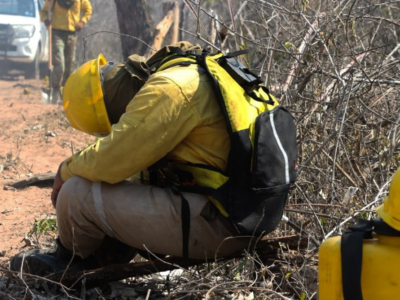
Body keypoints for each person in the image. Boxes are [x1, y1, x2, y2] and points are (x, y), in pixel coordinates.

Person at [10, 42, 251, 276]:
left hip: (221, 227)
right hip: (241, 216)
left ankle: (69, 265)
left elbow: (111, 159)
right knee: (134, 177)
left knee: (76, 194)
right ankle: (105, 254)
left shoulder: (170, 89)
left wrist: (66, 170)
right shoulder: (191, 70)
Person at [40, 0, 92, 104]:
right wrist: (46, 20)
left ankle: (65, 94)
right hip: (56, 34)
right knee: (60, 65)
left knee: (69, 68)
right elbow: (44, 12)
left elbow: (88, 9)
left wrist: (82, 21)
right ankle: (54, 91)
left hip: (71, 35)